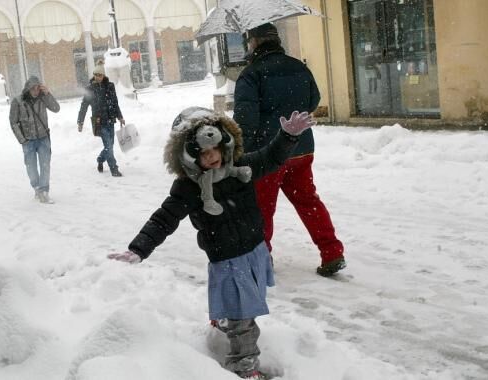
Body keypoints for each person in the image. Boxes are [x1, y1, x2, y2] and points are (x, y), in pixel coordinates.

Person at [108, 108, 316, 380]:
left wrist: (287, 136)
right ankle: (244, 367)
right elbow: (164, 218)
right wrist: (139, 248)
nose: (211, 157)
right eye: (203, 153)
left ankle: (225, 322)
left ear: (225, 143)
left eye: (215, 149)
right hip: (227, 260)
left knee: (247, 304)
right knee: (245, 320)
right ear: (188, 156)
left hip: (254, 250)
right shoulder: (190, 187)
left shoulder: (240, 168)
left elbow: (272, 157)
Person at [233, 23, 346, 277]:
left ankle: (261, 260)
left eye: (249, 41)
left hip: (268, 154)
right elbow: (313, 100)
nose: (248, 45)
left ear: (256, 42)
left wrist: (242, 152)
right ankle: (332, 252)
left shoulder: (251, 74)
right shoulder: (299, 67)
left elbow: (245, 120)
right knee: (308, 201)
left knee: (261, 208)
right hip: (301, 148)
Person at [9, 76, 60, 204]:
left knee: (45, 166)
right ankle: (36, 188)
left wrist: (48, 94)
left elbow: (56, 108)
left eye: (38, 88)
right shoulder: (18, 101)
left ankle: (44, 191)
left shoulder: (43, 98)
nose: (36, 91)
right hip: (28, 141)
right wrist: (22, 140)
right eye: (33, 88)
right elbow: (13, 122)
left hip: (43, 138)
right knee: (31, 167)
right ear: (28, 88)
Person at [77, 61, 125, 177]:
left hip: (110, 120)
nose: (98, 77)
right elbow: (84, 106)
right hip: (99, 122)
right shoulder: (90, 89)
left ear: (104, 75)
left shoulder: (110, 86)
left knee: (110, 145)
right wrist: (80, 121)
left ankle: (100, 159)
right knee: (108, 146)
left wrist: (120, 117)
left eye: (100, 75)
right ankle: (114, 168)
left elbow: (115, 103)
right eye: (96, 75)